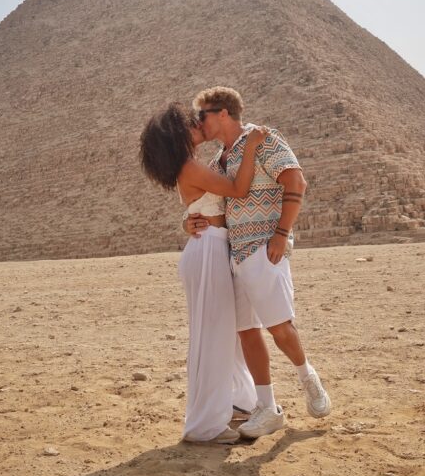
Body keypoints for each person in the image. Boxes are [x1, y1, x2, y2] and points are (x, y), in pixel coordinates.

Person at [184, 86, 331, 439]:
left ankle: (308, 378)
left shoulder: (264, 139)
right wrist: (188, 223)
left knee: (280, 327)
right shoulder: (220, 159)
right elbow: (206, 201)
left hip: (266, 249)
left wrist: (282, 234)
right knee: (247, 332)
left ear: (222, 114)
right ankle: (267, 407)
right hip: (234, 255)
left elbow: (296, 180)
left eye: (202, 115)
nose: (198, 124)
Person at [139, 102, 266, 444]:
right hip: (208, 250)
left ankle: (237, 401)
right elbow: (238, 190)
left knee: (226, 336)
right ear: (181, 135)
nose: (199, 125)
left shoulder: (193, 167)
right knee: (213, 339)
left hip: (213, 246)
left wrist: (188, 222)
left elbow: (205, 206)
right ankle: (204, 426)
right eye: (193, 123)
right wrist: (252, 145)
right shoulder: (190, 168)